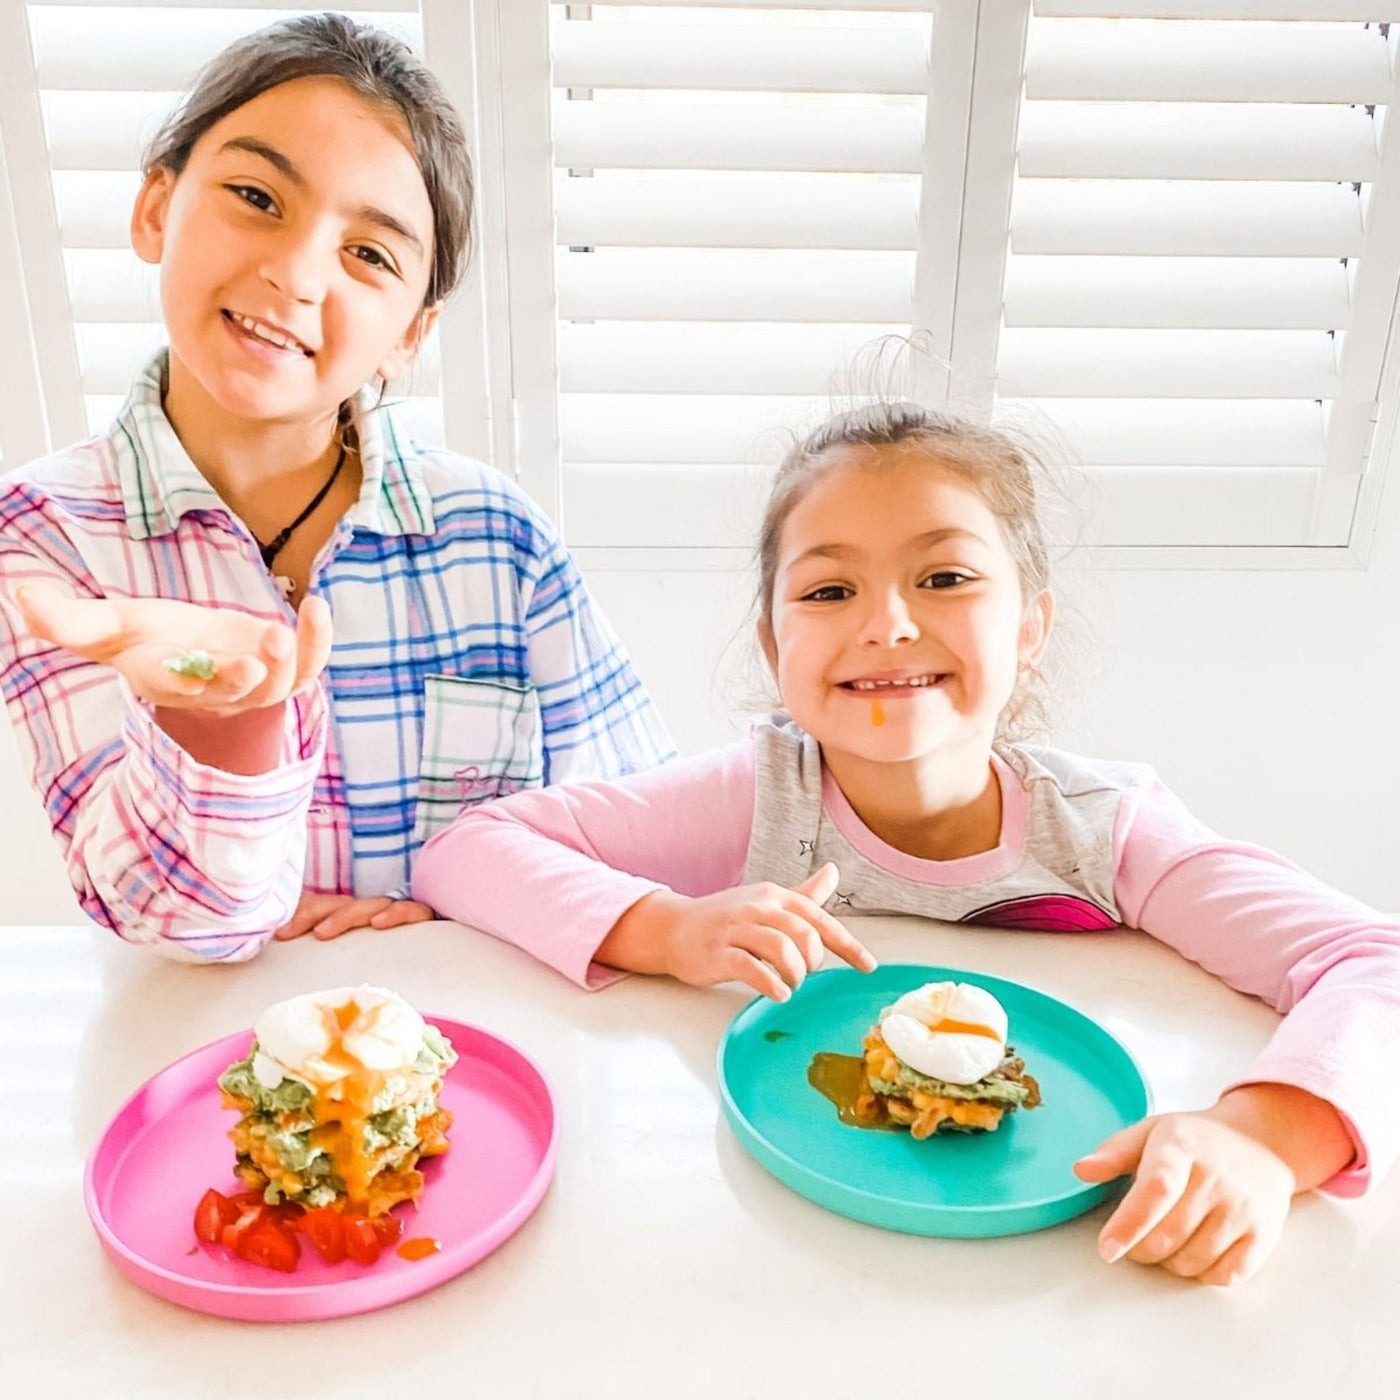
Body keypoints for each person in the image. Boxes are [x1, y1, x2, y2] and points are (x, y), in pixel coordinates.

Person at [412, 400, 1399, 1286]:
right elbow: (469, 846)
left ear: (1027, 627)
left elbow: (1368, 958)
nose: (885, 623)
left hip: (1060, 1268)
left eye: (943, 576)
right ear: (771, 642)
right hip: (783, 1256)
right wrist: (665, 928)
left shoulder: (1102, 828)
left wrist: (1264, 1138)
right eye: (828, 591)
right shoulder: (758, 792)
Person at [0, 14, 672, 961]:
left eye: (370, 254)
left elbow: (638, 824)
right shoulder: (45, 534)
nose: (295, 272)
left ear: (412, 331)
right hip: (212, 1063)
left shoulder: (495, 535)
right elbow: (178, 925)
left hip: (478, 1041)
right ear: (157, 207)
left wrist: (463, 907)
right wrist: (219, 727)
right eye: (256, 195)